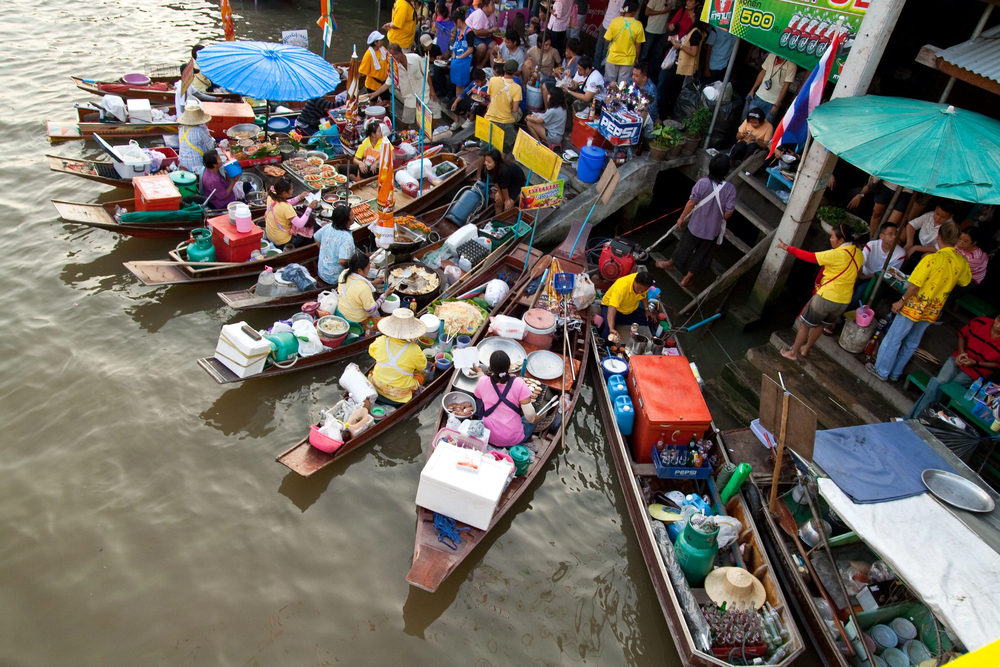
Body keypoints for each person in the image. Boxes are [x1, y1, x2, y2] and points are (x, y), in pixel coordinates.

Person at [867, 222, 971, 382]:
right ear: (956, 240)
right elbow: (965, 282)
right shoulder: (961, 262)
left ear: (939, 237)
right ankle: (895, 374)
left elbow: (915, 285)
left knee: (894, 338)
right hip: (933, 309)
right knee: (912, 342)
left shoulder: (932, 259)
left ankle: (881, 370)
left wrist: (901, 301)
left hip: (914, 306)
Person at [776, 223, 864, 360]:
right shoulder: (859, 253)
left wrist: (787, 247)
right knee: (821, 324)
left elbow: (809, 257)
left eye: (833, 237)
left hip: (826, 296)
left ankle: (793, 353)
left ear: (841, 241)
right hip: (843, 301)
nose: (830, 239)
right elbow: (858, 272)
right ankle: (805, 349)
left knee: (804, 325)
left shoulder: (836, 254)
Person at [655, 154, 736, 288]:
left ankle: (670, 263)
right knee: (702, 255)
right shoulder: (730, 189)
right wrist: (716, 216)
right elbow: (728, 213)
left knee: (684, 246)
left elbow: (691, 203)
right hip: (712, 231)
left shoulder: (703, 183)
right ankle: (686, 279)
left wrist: (681, 218)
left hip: (695, 225)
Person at [905, 314, 1000, 419]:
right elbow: (962, 335)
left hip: (975, 372)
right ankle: (916, 420)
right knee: (938, 382)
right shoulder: (980, 321)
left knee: (945, 388)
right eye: (998, 320)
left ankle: (911, 419)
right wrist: (961, 352)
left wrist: (976, 363)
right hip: (957, 359)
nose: (998, 325)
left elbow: (997, 364)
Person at [474, 350, 539, 447]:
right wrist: (535, 420)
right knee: (532, 419)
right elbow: (529, 415)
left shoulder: (483, 382)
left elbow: (482, 382)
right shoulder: (519, 383)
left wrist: (479, 371)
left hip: (488, 436)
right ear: (509, 366)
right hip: (513, 440)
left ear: (490, 367)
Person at [368, 308, 428, 404]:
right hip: (399, 394)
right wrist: (415, 346)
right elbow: (422, 366)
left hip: (377, 385)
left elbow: (372, 352)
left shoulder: (380, 341)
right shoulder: (414, 349)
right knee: (422, 375)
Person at [658, 1, 703, 120]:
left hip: (681, 62)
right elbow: (669, 25)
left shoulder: (696, 33)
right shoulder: (683, 13)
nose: (688, 2)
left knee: (668, 88)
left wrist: (681, 46)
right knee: (671, 88)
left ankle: (664, 116)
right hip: (676, 56)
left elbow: (694, 52)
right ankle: (666, 114)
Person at [382, 43, 441, 129]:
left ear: (399, 53)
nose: (393, 59)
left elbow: (427, 74)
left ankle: (428, 131)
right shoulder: (394, 67)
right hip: (409, 97)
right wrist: (374, 94)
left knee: (436, 111)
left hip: (423, 92)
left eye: (394, 56)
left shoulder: (415, 58)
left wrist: (432, 91)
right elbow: (388, 83)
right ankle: (404, 135)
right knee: (406, 120)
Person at [853, 222, 906, 306]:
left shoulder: (900, 254)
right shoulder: (872, 245)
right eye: (890, 234)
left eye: (896, 234)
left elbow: (887, 273)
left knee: (860, 291)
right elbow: (860, 263)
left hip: (877, 279)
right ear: (882, 236)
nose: (894, 237)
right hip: (862, 273)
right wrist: (857, 278)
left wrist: (864, 277)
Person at [338, 250, 393, 323]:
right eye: (368, 268)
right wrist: (385, 295)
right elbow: (371, 309)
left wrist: (374, 282)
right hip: (355, 318)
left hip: (342, 310)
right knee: (387, 322)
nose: (369, 270)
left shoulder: (344, 273)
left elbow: (355, 286)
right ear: (360, 270)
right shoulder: (363, 288)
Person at [848, 176, 913, 237]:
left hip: (907, 189)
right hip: (888, 183)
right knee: (876, 214)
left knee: (891, 224)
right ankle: (871, 240)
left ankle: (880, 243)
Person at [599, 270, 656, 340]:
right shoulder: (621, 287)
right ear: (634, 281)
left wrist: (647, 309)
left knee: (651, 320)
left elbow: (644, 296)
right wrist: (611, 328)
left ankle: (618, 321)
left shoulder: (644, 284)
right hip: (613, 309)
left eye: (643, 290)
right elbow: (612, 308)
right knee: (608, 333)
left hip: (630, 309)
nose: (639, 292)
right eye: (638, 289)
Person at [264, 178, 319, 249]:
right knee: (313, 226)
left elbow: (285, 202)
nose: (293, 190)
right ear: (284, 193)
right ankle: (305, 249)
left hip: (271, 235)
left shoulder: (271, 196)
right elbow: (300, 224)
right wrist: (309, 208)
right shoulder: (286, 207)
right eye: (291, 189)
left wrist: (299, 197)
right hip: (282, 241)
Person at [484, 60, 523, 153]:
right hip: (506, 123)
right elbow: (515, 109)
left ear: (504, 68)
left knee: (484, 151)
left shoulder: (492, 80)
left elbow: (490, 96)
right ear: (515, 72)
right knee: (503, 150)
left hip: (489, 119)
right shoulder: (517, 88)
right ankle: (499, 166)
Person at [747, 53, 797, 124]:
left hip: (772, 102)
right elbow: (762, 73)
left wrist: (777, 104)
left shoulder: (792, 65)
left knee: (765, 127)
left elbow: (786, 85)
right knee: (748, 122)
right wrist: (752, 90)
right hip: (759, 96)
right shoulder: (771, 55)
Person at [603, 0, 644, 85]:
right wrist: (637, 58)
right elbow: (638, 45)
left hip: (613, 57)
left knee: (609, 84)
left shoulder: (615, 21)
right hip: (628, 60)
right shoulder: (638, 25)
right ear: (634, 12)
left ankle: (606, 98)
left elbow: (607, 39)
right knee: (622, 86)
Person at [315, 206, 356, 285]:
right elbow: (342, 261)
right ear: (346, 220)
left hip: (321, 271)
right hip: (333, 278)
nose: (354, 217)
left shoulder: (328, 227)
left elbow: (316, 237)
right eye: (352, 215)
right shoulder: (346, 238)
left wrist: (324, 251)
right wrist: (351, 270)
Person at [176, 99, 215, 176]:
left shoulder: (181, 129)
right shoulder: (199, 131)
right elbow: (210, 148)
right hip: (197, 167)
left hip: (183, 163)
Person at [482, 148, 526, 214]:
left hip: (515, 182)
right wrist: (499, 193)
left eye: (489, 162)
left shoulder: (504, 170)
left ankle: (506, 219)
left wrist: (507, 200)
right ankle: (497, 220)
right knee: (498, 203)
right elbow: (495, 182)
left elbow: (504, 188)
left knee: (508, 207)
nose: (486, 163)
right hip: (503, 182)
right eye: (485, 161)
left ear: (496, 162)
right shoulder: (489, 168)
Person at [449, 7, 474, 99]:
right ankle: (456, 100)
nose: (455, 24)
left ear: (459, 20)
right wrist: (454, 55)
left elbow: (470, 49)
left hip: (465, 60)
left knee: (461, 84)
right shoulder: (459, 31)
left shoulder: (469, 32)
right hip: (458, 59)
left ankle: (461, 102)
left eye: (455, 22)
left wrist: (459, 58)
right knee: (457, 84)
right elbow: (456, 44)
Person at [594, 0, 625, 72]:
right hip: (605, 24)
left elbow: (622, 15)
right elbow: (608, 10)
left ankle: (601, 72)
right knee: (598, 48)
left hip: (612, 28)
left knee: (606, 51)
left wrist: (616, 29)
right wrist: (602, 22)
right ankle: (594, 70)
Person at [359, 31, 391, 99]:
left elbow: (389, 59)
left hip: (383, 83)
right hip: (372, 84)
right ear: (375, 43)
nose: (382, 42)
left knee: (386, 100)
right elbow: (361, 71)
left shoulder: (383, 49)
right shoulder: (368, 55)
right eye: (380, 41)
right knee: (372, 102)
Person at [466, 0, 498, 67]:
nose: (494, 7)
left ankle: (481, 65)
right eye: (492, 5)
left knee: (494, 46)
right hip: (471, 34)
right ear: (485, 6)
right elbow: (476, 32)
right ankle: (474, 65)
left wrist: (493, 30)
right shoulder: (479, 14)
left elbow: (494, 25)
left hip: (483, 36)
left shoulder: (492, 14)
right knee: (482, 47)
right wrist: (490, 31)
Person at [641, 0, 669, 75]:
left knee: (656, 57)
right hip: (650, 30)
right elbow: (647, 12)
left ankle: (650, 77)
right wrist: (662, 12)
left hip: (662, 32)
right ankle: (638, 75)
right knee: (644, 54)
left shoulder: (673, 1)